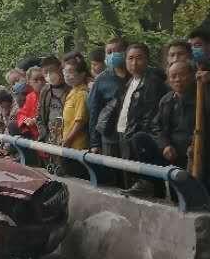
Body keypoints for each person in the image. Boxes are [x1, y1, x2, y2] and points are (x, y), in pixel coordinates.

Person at [129, 56, 209, 200]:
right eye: (173, 76)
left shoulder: (202, 97)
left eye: (182, 75)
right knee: (139, 138)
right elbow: (156, 126)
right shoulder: (166, 100)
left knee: (185, 199)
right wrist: (165, 145)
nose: (177, 79)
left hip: (195, 155)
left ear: (192, 76)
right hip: (170, 153)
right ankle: (152, 185)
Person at [116, 42, 167, 173]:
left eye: (139, 58)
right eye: (130, 58)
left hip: (138, 138)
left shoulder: (153, 82)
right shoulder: (130, 82)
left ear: (147, 60)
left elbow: (150, 116)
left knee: (140, 175)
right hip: (123, 133)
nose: (134, 63)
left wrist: (136, 138)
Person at [87, 35, 129, 161]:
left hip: (131, 137)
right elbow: (94, 111)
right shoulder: (102, 79)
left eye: (116, 51)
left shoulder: (137, 75)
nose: (112, 55)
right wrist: (94, 143)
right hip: (110, 137)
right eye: (109, 52)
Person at [35, 56, 69, 149]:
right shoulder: (45, 90)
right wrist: (44, 135)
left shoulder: (70, 88)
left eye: (52, 71)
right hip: (50, 139)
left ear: (60, 68)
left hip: (67, 138)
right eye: (45, 73)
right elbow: (39, 116)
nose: (49, 75)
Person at [60, 53, 91, 151]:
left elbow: (80, 121)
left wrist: (68, 140)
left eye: (70, 72)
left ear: (82, 74)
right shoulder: (72, 91)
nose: (67, 75)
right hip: (68, 144)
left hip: (76, 146)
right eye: (65, 71)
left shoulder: (81, 94)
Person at [14, 67, 43, 138]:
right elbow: (21, 113)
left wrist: (35, 120)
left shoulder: (51, 94)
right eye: (36, 80)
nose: (40, 82)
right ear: (29, 82)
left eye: (42, 79)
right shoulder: (30, 96)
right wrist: (26, 120)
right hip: (33, 132)